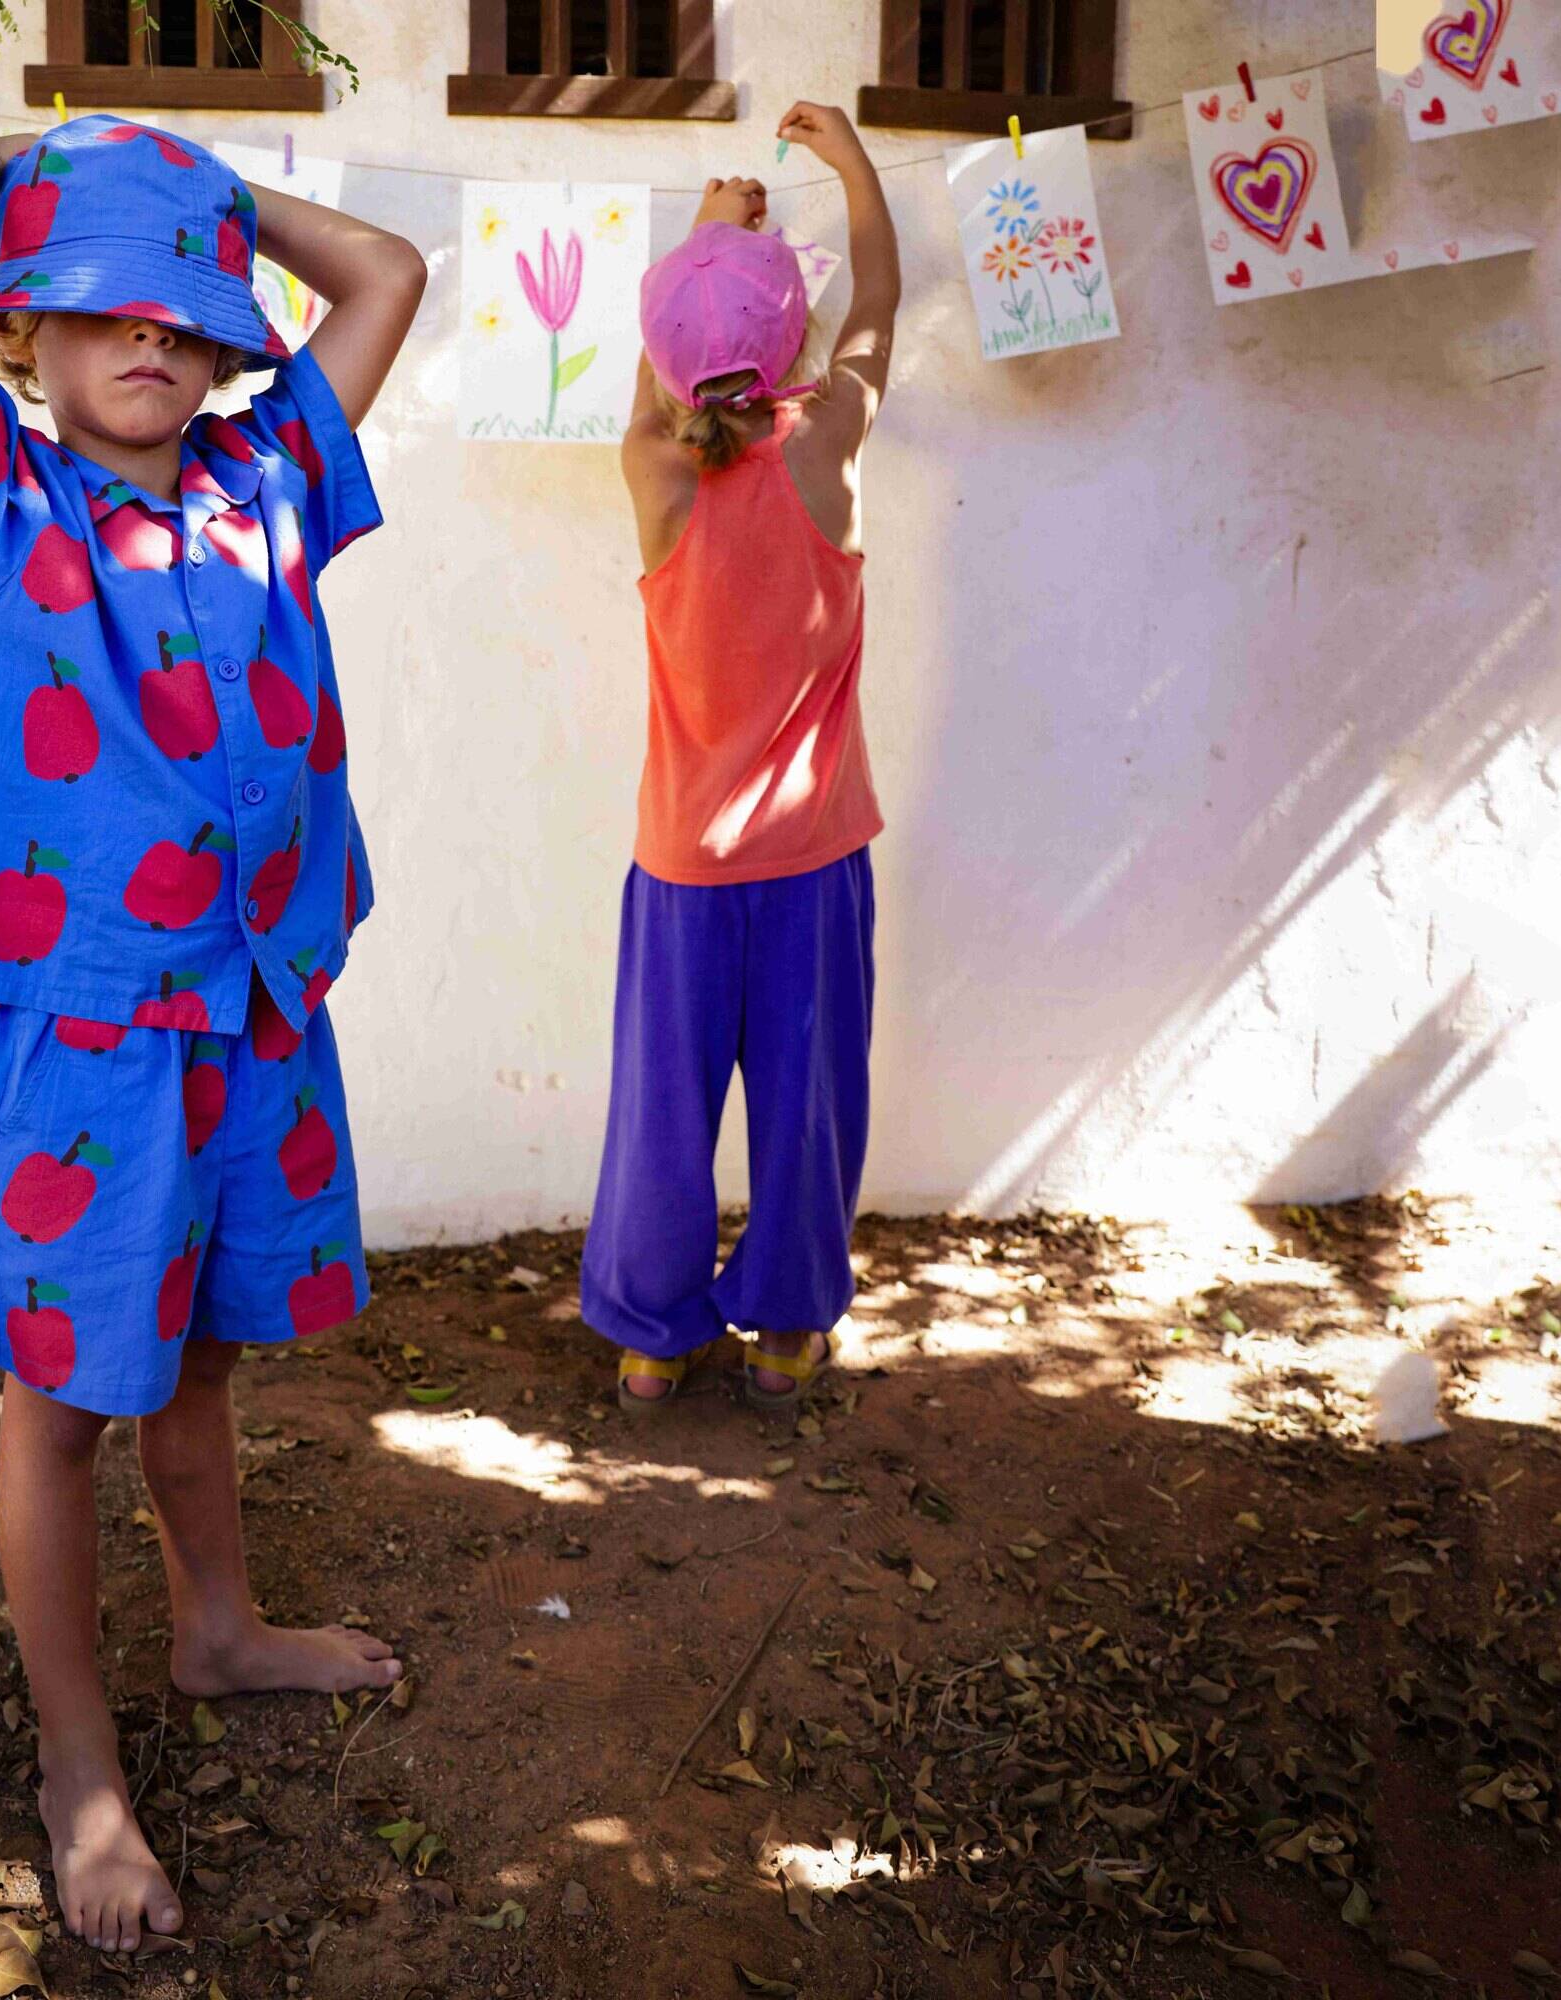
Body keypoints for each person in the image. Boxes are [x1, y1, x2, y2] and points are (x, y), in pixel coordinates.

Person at [0, 114, 425, 1954]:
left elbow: (387, 276)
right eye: (104, 303)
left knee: (195, 1361)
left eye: (186, 309)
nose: (153, 338)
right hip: (91, 1038)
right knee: (63, 1408)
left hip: (254, 1005)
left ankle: (217, 1627)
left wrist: (203, 196)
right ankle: (78, 1764)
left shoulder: (271, 475)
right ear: (24, 327)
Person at [579, 103, 900, 1417]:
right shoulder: (827, 449)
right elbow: (879, 299)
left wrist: (708, 242)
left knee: (661, 1110)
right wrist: (850, 166)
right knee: (809, 1107)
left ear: (663, 362)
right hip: (813, 863)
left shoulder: (652, 470)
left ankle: (653, 1342)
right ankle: (784, 1334)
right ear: (797, 351)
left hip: (681, 870)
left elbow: (665, 381)